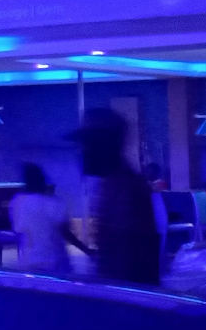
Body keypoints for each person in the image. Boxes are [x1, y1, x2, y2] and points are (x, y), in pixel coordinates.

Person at [68, 108, 161, 286]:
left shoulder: (124, 190)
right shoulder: (114, 184)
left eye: (87, 144)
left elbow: (125, 264)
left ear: (104, 145)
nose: (82, 152)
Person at [10, 163, 91, 274]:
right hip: (55, 262)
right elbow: (65, 233)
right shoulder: (54, 202)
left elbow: (19, 230)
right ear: (42, 180)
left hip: (28, 261)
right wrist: (86, 250)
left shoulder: (17, 202)